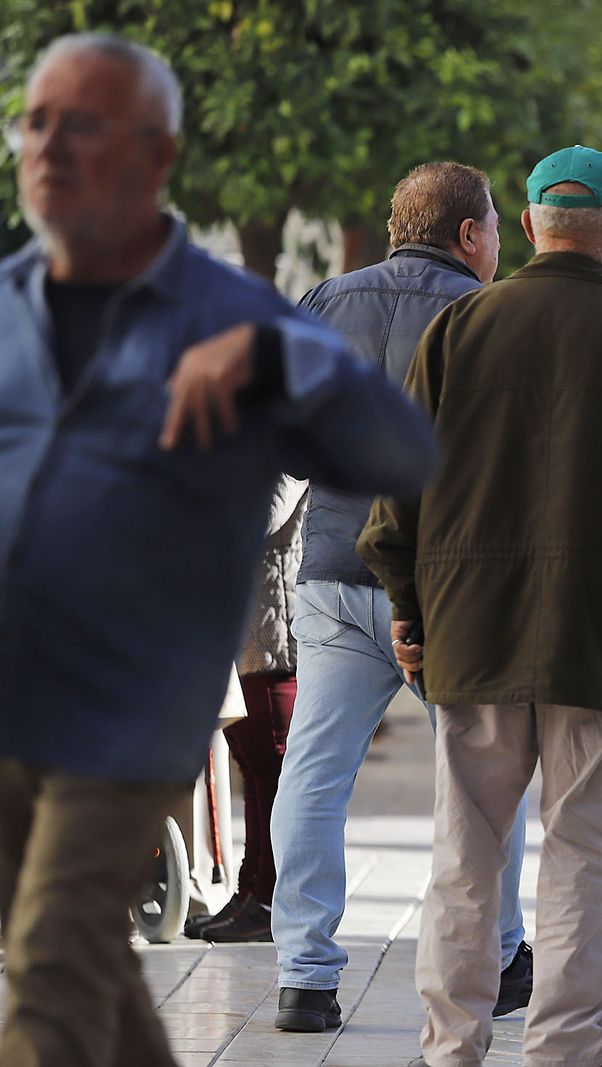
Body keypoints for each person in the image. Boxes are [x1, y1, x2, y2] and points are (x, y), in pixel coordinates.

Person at [0, 33, 435, 1067]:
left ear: (157, 155)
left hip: (132, 694)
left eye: (84, 124)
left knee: (54, 964)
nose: (48, 145)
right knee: (66, 959)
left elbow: (401, 447)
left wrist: (281, 358)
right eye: (35, 121)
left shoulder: (235, 311)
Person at [358, 144, 602, 1067]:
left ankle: (450, 1046)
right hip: (601, 640)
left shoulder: (457, 333)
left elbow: (395, 494)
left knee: (467, 850)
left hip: (471, 633)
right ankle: (570, 1047)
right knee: (587, 847)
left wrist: (408, 609)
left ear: (529, 226)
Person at [268, 161, 533, 1035]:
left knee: (314, 769)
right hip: (449, 583)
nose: (498, 242)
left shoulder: (323, 301)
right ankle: (500, 953)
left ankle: (304, 975)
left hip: (336, 573)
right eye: (495, 226)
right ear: (469, 234)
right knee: (484, 773)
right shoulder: (489, 315)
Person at [185, 476, 309, 943]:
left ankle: (269, 897)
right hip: (241, 630)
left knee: (271, 769)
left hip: (272, 630)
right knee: (252, 768)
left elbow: (259, 514)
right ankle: (251, 891)